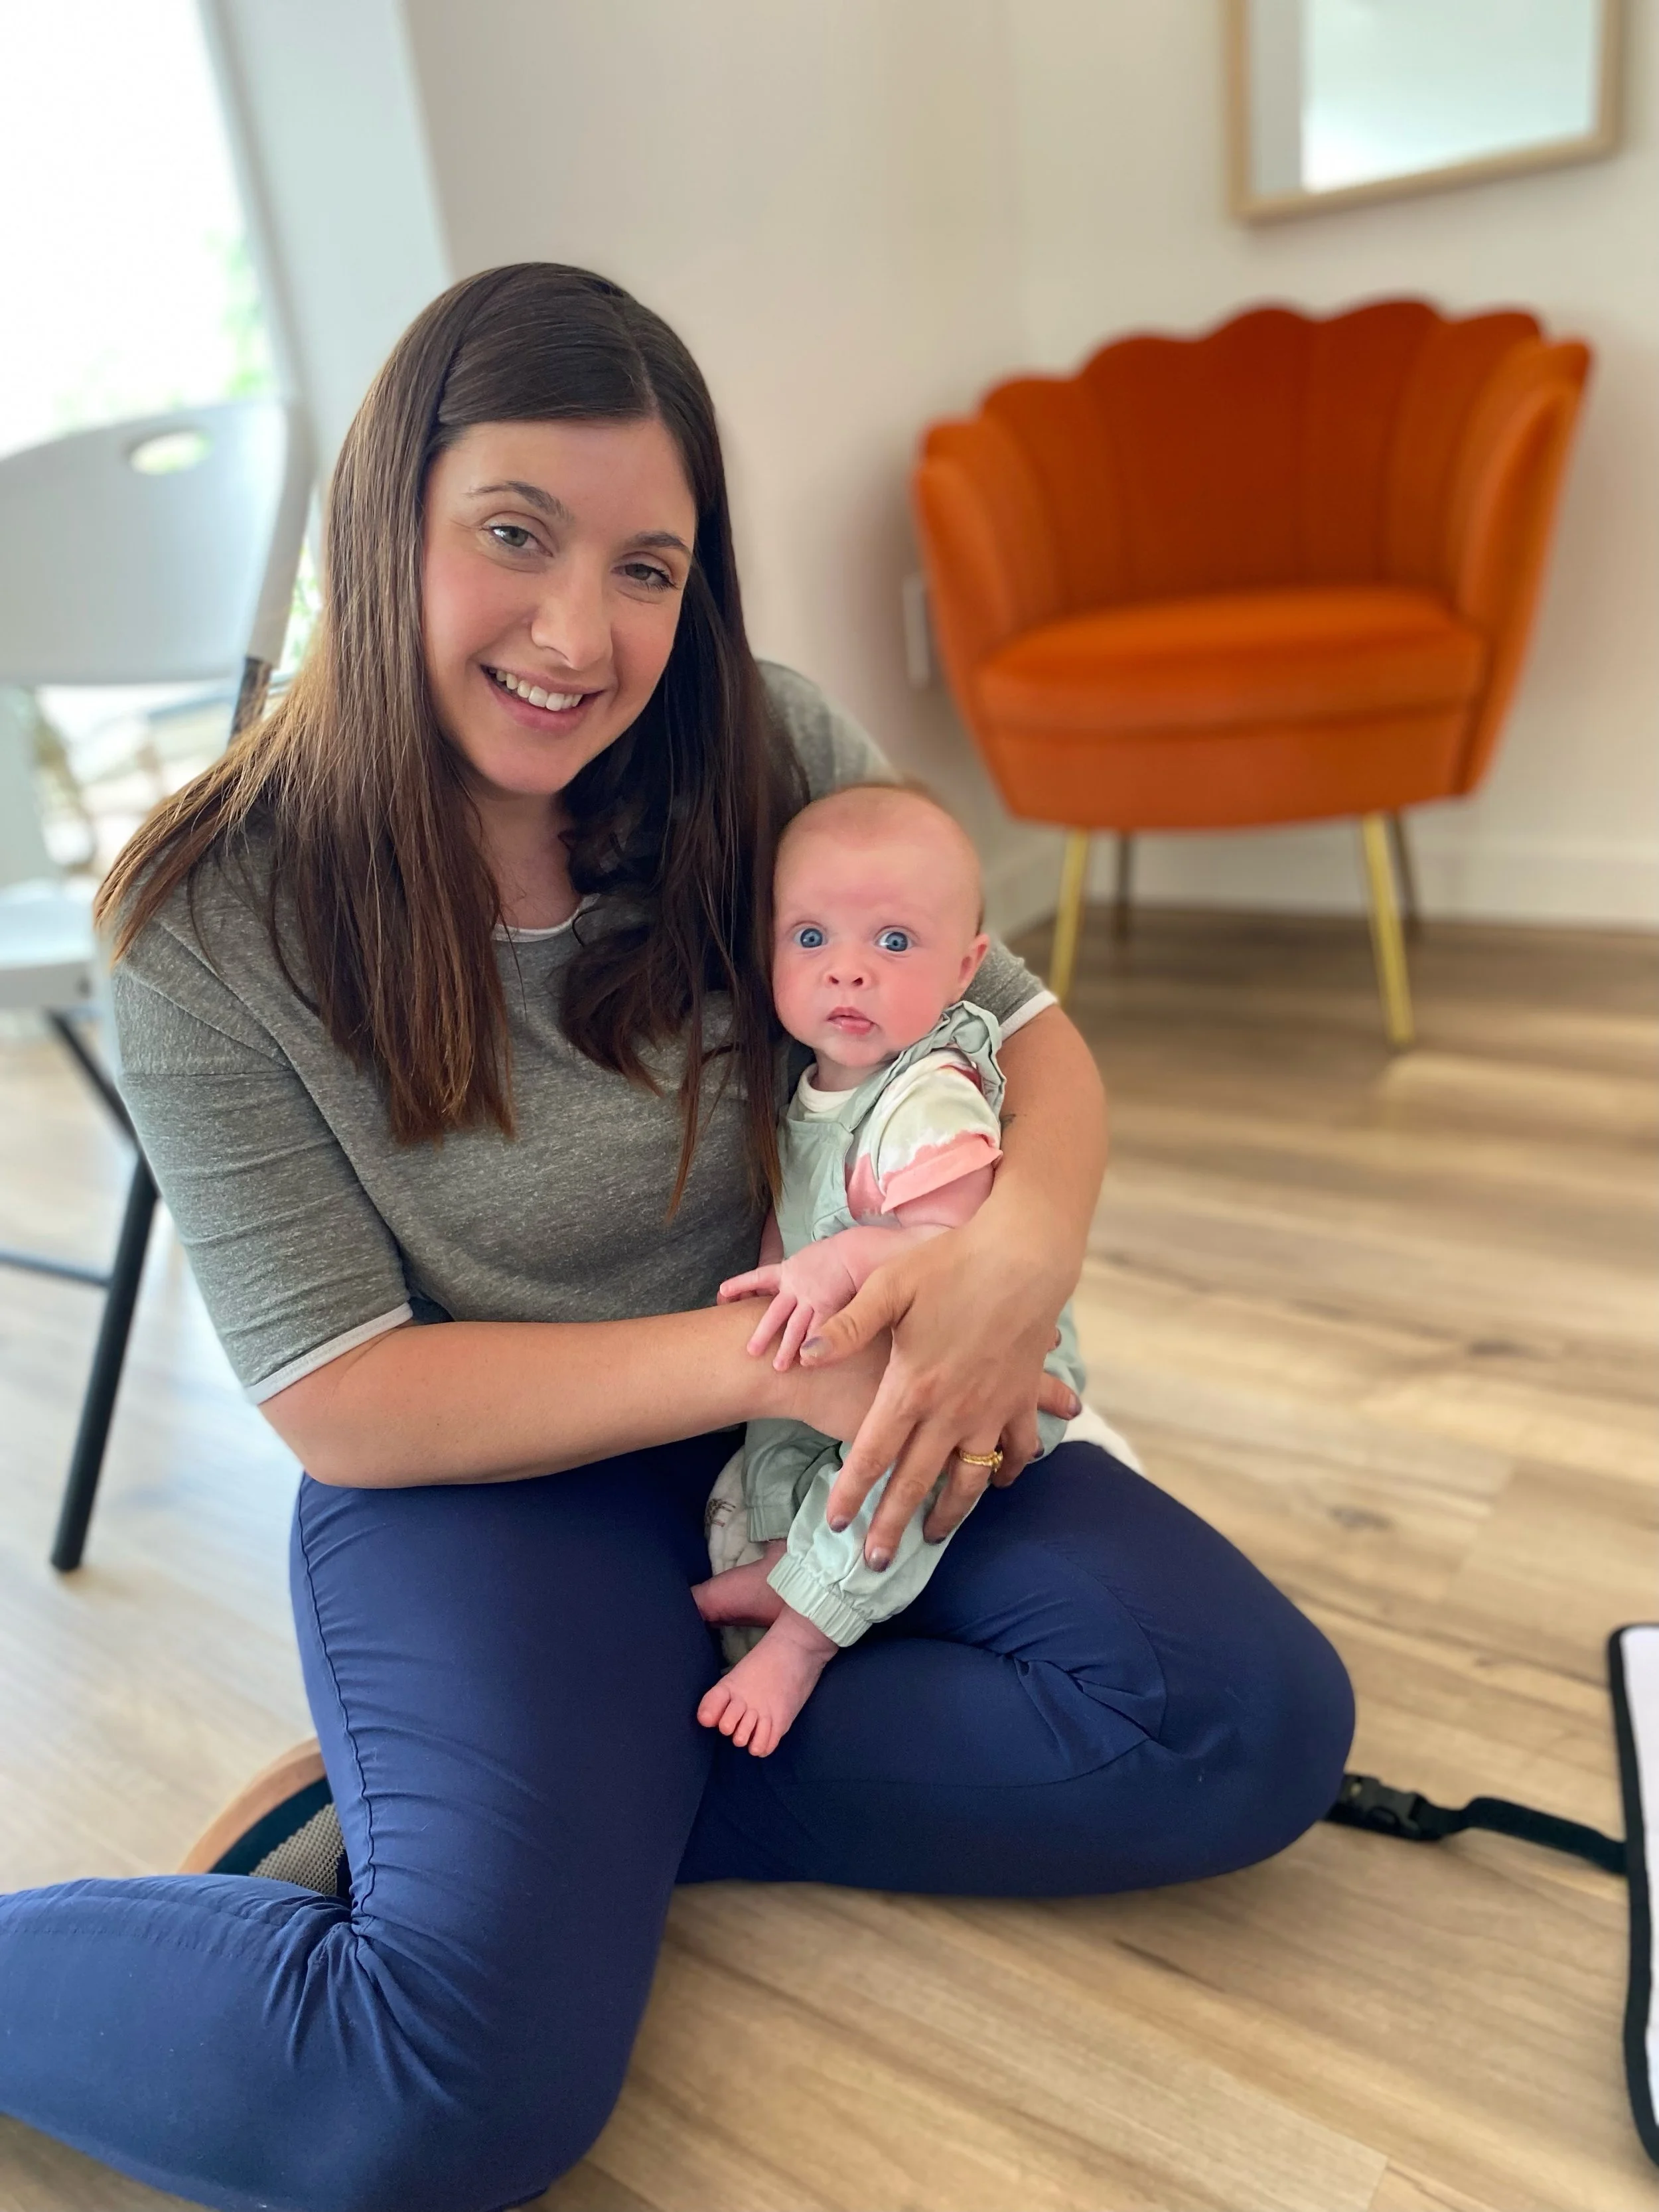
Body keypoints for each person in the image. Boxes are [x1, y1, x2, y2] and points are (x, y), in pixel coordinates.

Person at [0, 264, 1353, 2212]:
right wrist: (802, 1351)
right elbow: (345, 1400)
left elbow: (1022, 1025)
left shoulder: (760, 747)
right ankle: (513, 1810)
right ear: (388, 527)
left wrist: (1006, 1264)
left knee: (1245, 1726)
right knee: (438, 2096)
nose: (579, 632)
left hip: (830, 1429)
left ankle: (572, 1797)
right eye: (514, 537)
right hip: (494, 1470)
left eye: (649, 567)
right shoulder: (207, 923)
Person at [693, 782, 1087, 1755]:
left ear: (966, 971)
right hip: (869, 1347)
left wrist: (833, 1263)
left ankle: (803, 1637)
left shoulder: (929, 1095)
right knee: (785, 1427)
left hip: (976, 1364)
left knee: (894, 1480)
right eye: (813, 939)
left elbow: (952, 1250)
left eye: (895, 944)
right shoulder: (815, 1089)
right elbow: (806, 1219)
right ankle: (791, 1559)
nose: (849, 975)